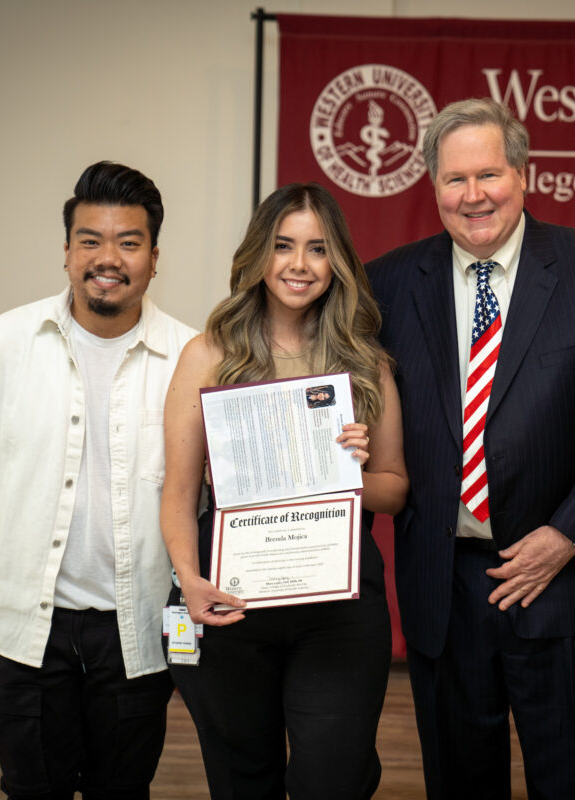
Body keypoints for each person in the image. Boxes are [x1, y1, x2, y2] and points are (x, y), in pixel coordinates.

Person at [367, 98, 575, 799]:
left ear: (524, 175)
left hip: (560, 578)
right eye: (454, 179)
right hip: (443, 586)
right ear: (432, 187)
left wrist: (564, 537)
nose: (474, 195)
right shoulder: (384, 283)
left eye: (489, 174)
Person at [0, 161, 196, 799]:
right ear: (66, 252)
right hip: (29, 628)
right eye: (90, 240)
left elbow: (204, 492)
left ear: (154, 257)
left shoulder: (194, 358)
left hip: (136, 627)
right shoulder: (2, 345)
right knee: (32, 789)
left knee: (122, 791)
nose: (107, 258)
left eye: (128, 242)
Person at [159, 182, 408, 800]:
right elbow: (179, 491)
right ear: (258, 256)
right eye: (283, 246)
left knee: (335, 777)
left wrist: (352, 469)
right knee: (243, 779)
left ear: (338, 262)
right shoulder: (208, 355)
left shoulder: (365, 362)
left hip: (338, 612)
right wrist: (189, 580)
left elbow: (394, 490)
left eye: (318, 249)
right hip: (232, 604)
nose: (300, 264)